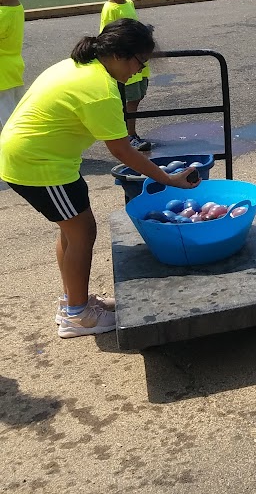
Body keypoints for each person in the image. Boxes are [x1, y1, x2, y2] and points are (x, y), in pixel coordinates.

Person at [0, 19, 198, 338]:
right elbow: (122, 151)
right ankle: (78, 317)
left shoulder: (80, 65)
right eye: (140, 62)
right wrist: (169, 179)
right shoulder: (101, 90)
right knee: (82, 232)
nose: (139, 70)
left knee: (71, 230)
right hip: (38, 164)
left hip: (38, 158)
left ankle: (72, 302)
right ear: (121, 54)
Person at [100, 0, 152, 151]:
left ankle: (131, 133)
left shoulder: (129, 3)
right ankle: (129, 135)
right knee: (128, 100)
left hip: (137, 60)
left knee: (136, 98)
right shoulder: (110, 9)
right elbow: (110, 35)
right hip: (126, 63)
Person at [0, 0, 25, 129]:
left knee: (7, 123)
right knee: (13, 116)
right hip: (13, 70)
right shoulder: (17, 8)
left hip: (2, 74)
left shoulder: (2, 15)